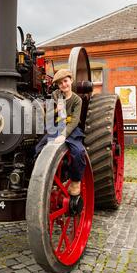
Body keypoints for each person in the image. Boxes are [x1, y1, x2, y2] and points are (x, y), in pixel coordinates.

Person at [35, 69, 86, 198]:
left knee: (78, 152)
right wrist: (57, 110)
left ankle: (75, 181)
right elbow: (48, 116)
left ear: (71, 81)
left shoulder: (77, 100)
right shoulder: (55, 95)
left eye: (65, 81)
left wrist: (64, 135)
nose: (64, 85)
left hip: (71, 129)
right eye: (60, 83)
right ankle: (43, 178)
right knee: (38, 148)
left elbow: (74, 120)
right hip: (56, 127)